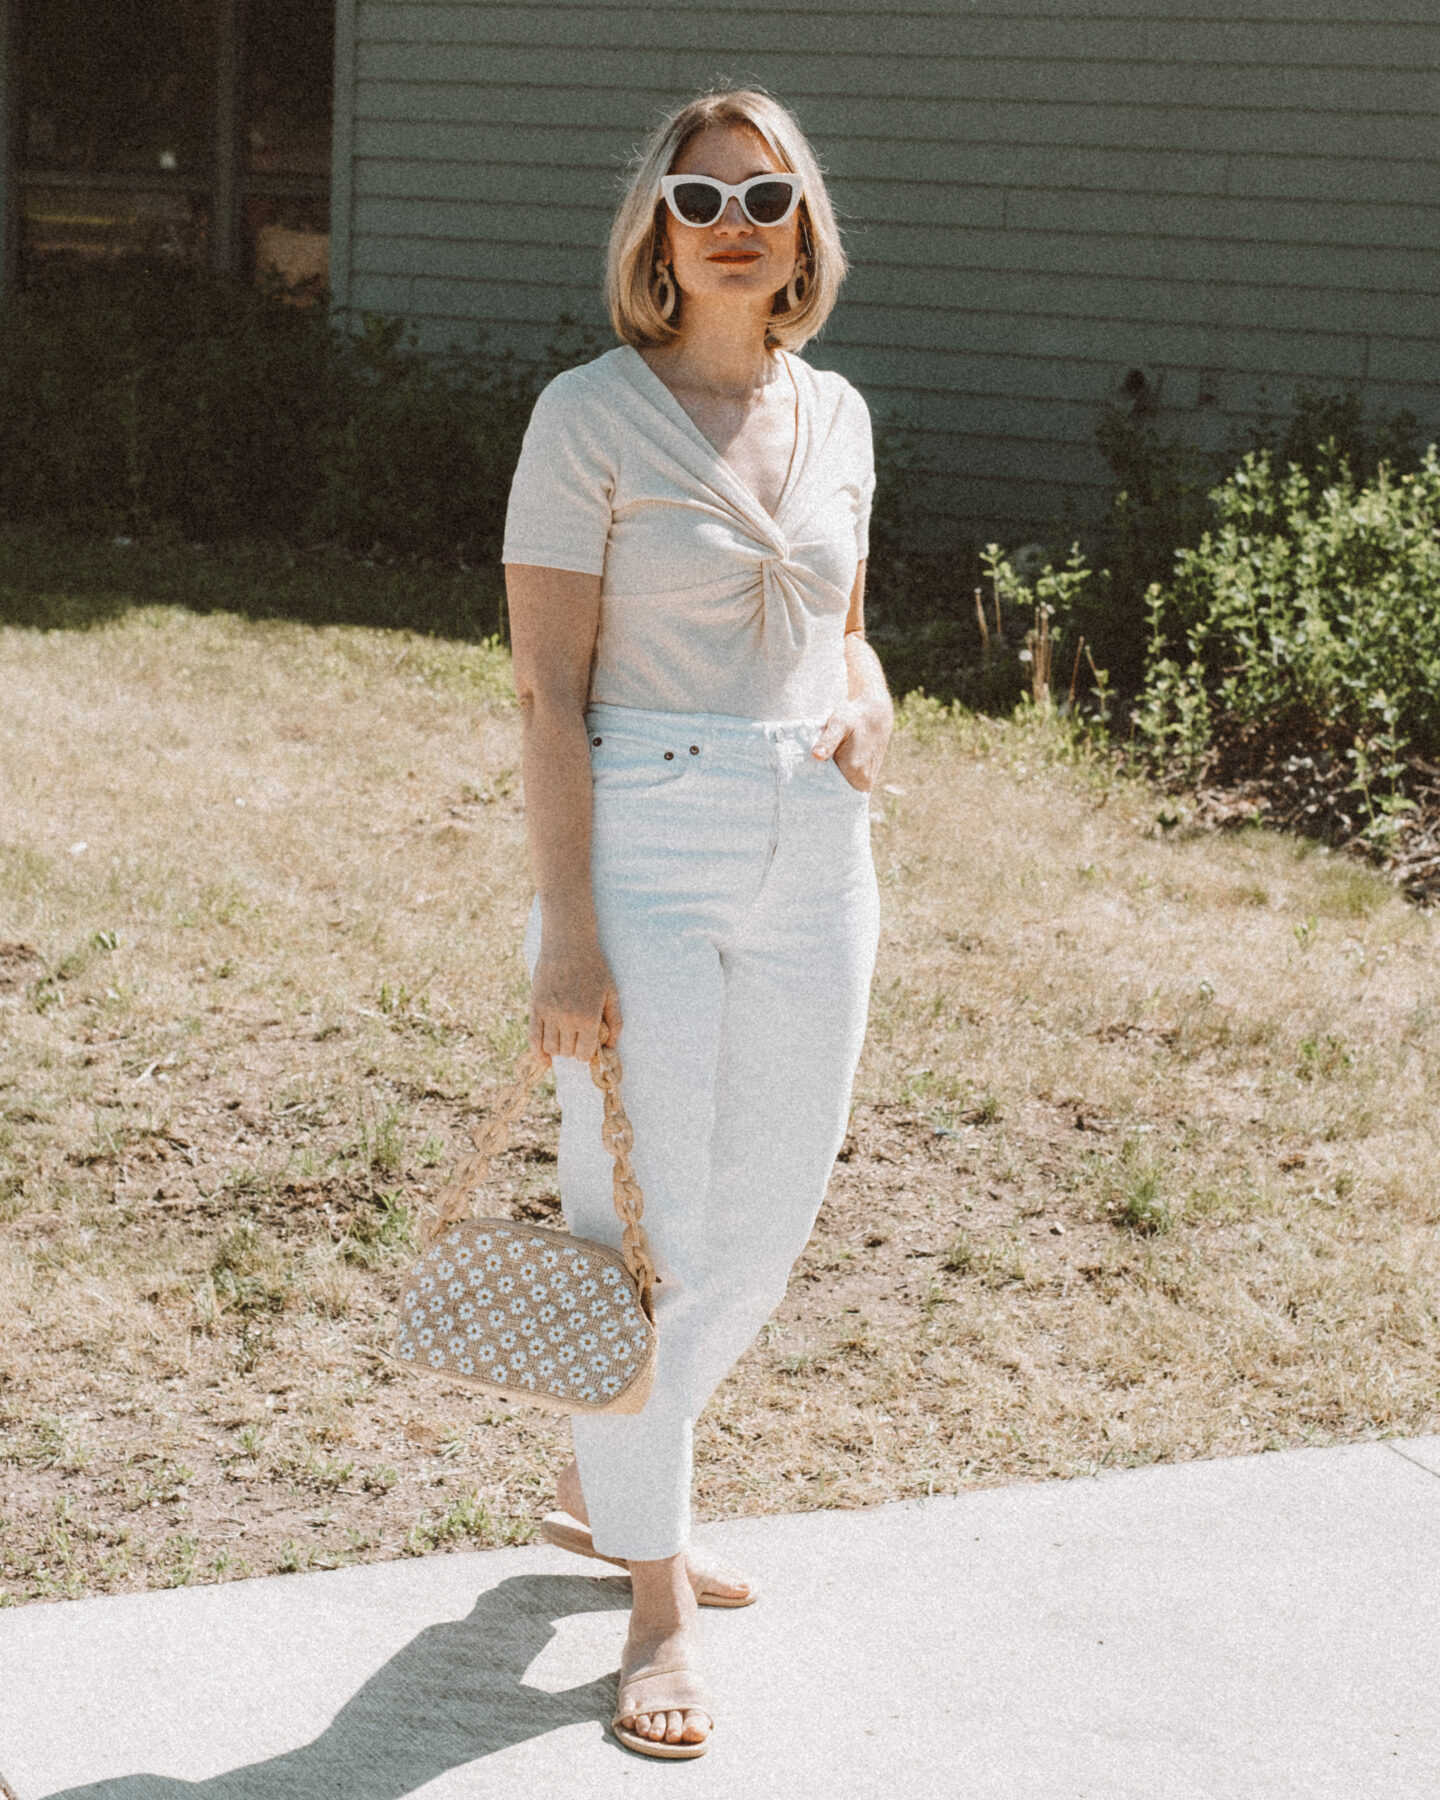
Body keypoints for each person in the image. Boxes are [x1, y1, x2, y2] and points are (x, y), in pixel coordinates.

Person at [502, 86, 892, 1760]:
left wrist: (877, 695)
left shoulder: (842, 415)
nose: (735, 221)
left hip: (819, 843)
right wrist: (570, 931)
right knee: (639, 1223)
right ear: (655, 229)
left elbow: (849, 630)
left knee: (774, 1202)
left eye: (767, 194)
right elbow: (542, 689)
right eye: (701, 194)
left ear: (805, 228)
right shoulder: (585, 417)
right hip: (644, 838)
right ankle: (653, 1595)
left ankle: (614, 1483)